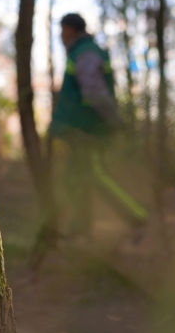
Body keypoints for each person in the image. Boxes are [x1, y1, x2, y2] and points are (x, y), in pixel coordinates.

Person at [49, 13, 146, 238]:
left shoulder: (86, 53)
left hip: (88, 129)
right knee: (75, 177)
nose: (61, 36)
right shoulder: (81, 51)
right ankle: (82, 228)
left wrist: (114, 123)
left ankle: (136, 217)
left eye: (63, 30)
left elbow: (95, 92)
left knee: (93, 174)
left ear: (72, 30)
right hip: (80, 128)